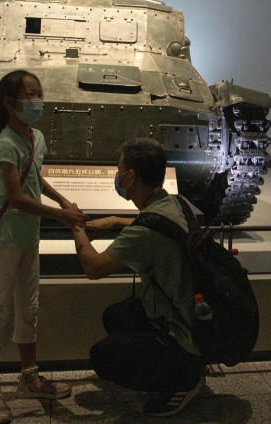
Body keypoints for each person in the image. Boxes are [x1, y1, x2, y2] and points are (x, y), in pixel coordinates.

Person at [71, 138, 207, 417]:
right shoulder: (177, 203)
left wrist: (76, 227)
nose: (117, 176)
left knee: (103, 357)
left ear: (131, 177)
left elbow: (93, 267)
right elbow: (154, 224)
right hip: (194, 320)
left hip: (182, 333)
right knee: (117, 316)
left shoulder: (144, 234)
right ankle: (183, 361)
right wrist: (114, 221)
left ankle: (182, 381)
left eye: (119, 170)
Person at [0, 70, 86, 424]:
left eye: (40, 92)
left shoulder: (35, 137)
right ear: (10, 102)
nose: (38, 99)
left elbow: (36, 176)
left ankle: (29, 376)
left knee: (29, 307)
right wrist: (63, 215)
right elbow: (16, 197)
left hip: (29, 237)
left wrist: (63, 199)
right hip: (7, 238)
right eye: (31, 93)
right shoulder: (5, 143)